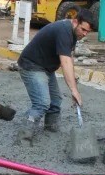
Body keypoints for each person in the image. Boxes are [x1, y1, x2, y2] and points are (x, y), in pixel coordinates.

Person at [15, 9, 95, 145]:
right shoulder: (64, 31)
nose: (85, 34)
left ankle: (50, 131)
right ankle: (23, 137)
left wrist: (74, 84)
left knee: (55, 101)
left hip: (45, 67)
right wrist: (74, 90)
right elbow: (64, 62)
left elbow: (69, 58)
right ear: (75, 21)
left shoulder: (73, 32)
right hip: (31, 65)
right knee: (42, 102)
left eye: (88, 32)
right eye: (83, 29)